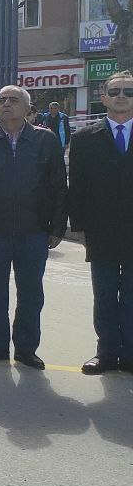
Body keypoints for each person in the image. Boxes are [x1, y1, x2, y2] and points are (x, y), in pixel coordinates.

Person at [0, 85, 67, 369]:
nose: (7, 104)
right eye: (2, 100)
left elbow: (58, 187)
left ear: (28, 108)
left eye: (14, 100)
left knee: (31, 294)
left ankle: (26, 349)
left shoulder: (45, 140)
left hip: (34, 232)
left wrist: (57, 227)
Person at [68, 70, 133, 374]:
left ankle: (129, 354)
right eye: (115, 91)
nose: (122, 97)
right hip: (101, 231)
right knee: (104, 294)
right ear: (104, 98)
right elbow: (77, 186)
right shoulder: (84, 138)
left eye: (128, 92)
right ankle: (106, 352)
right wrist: (79, 227)